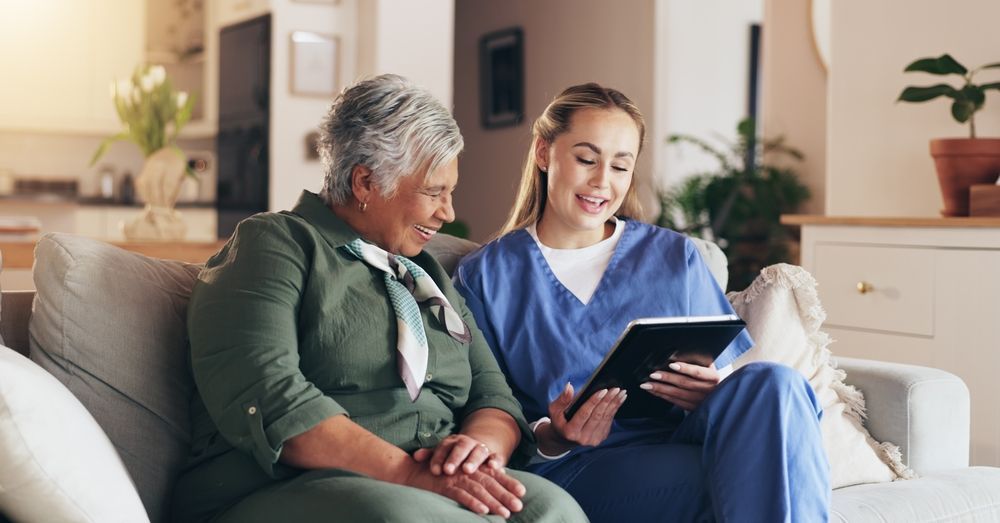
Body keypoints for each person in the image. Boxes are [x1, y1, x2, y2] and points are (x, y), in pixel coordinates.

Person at [171, 74, 587, 523]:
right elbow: (269, 395)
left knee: (553, 509)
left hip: (427, 480)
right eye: (433, 192)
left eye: (450, 193)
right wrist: (409, 474)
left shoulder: (426, 276)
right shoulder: (276, 245)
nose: (447, 213)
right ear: (365, 183)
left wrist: (476, 451)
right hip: (287, 484)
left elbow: (493, 396)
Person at [454, 83, 831, 522]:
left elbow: (732, 390)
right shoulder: (485, 276)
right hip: (583, 467)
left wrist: (709, 390)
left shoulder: (677, 256)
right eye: (586, 159)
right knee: (753, 471)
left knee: (775, 382)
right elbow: (488, 406)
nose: (602, 181)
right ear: (543, 152)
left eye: (620, 166)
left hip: (685, 435)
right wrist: (556, 434)